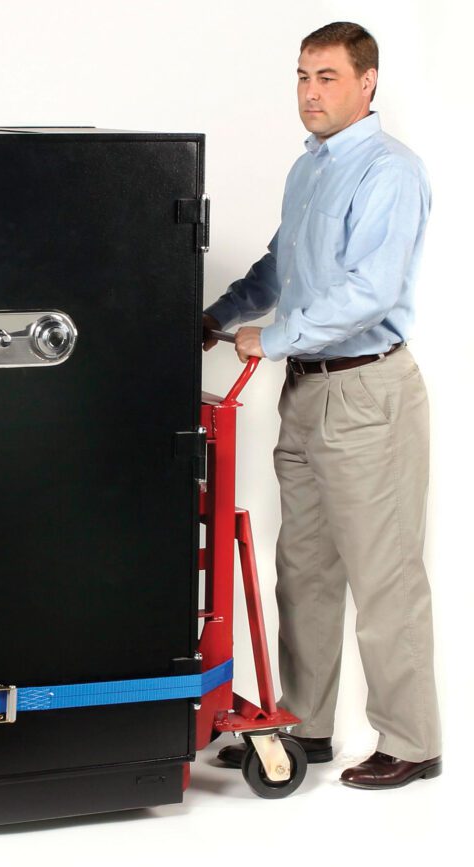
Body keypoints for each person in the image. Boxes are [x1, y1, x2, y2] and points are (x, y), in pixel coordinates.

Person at [203, 21, 441, 789]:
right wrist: (219, 316)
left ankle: (411, 741)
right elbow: (284, 264)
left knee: (383, 576)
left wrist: (265, 340)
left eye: (328, 77)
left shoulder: (389, 172)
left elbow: (367, 292)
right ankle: (303, 727)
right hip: (307, 392)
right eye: (303, 76)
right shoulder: (310, 168)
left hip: (368, 392)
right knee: (302, 570)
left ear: (369, 83)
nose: (310, 92)